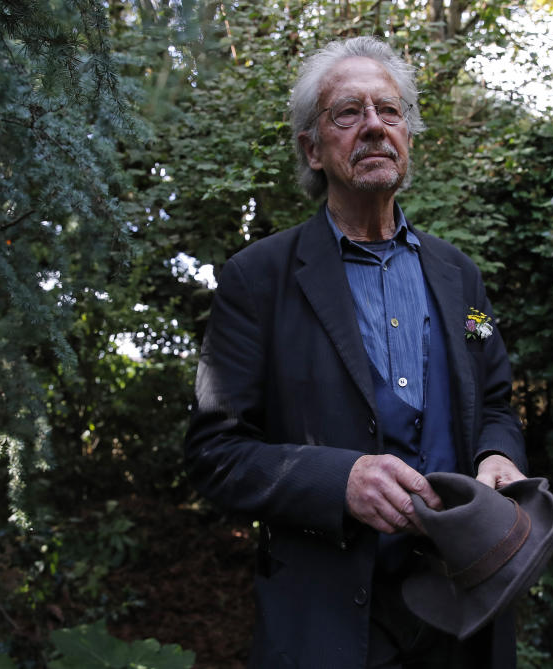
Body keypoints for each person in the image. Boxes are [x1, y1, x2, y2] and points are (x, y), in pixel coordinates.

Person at [185, 36, 528, 669]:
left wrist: (500, 456)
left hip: (466, 606)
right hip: (332, 623)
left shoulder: (459, 275)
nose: (373, 125)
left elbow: (498, 405)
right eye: (348, 112)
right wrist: (338, 481)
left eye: (389, 111)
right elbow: (214, 455)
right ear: (313, 149)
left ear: (409, 138)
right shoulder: (256, 278)